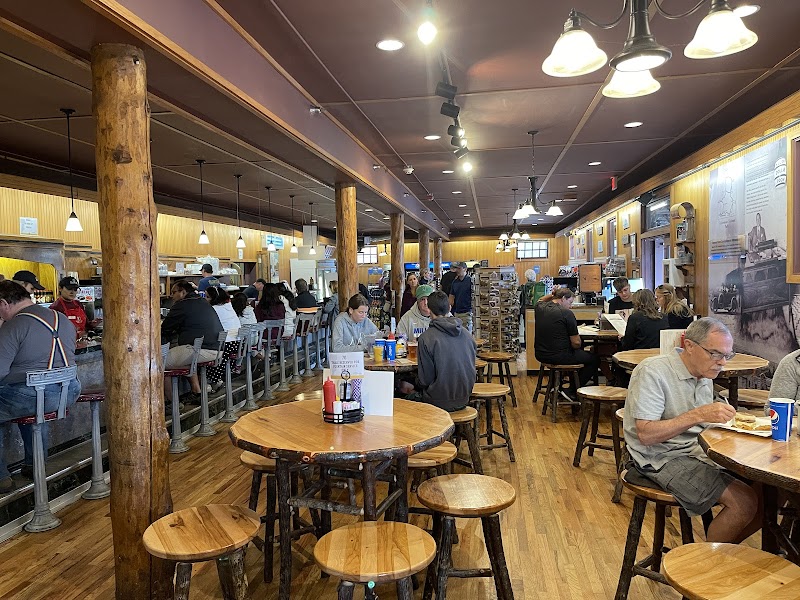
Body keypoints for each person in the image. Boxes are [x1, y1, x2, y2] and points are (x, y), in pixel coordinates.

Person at [623, 318, 760, 543]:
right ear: (689, 346)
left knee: (768, 486)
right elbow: (646, 435)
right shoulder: (653, 372)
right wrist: (699, 414)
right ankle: (709, 570)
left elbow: (703, 425)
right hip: (659, 458)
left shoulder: (703, 372)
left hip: (695, 450)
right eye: (715, 354)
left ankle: (726, 554)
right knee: (744, 501)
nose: (722, 362)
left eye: (727, 355)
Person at [0, 281, 80, 493]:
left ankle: (1, 477)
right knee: (36, 399)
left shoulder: (13, 325)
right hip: (69, 391)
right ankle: (35, 464)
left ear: (3, 303)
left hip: (36, 396)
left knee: (30, 397)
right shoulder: (60, 318)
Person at [403, 291, 476, 412]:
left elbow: (425, 380)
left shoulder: (426, 338)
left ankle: (423, 430)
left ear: (430, 310)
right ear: (449, 308)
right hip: (465, 398)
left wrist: (412, 381)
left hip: (437, 402)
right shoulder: (467, 334)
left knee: (401, 393)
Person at [161, 280, 223, 403]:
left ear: (182, 292)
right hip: (216, 349)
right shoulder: (202, 301)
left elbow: (165, 328)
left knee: (159, 363)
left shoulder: (182, 304)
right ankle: (196, 391)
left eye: (174, 293)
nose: (171, 296)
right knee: (185, 355)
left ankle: (170, 403)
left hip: (200, 350)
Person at [534, 287, 599, 392]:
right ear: (563, 298)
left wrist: (553, 294)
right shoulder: (566, 313)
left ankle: (558, 388)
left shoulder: (540, 308)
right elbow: (576, 343)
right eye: (570, 302)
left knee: (578, 354)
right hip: (559, 356)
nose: (571, 306)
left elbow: (540, 300)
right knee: (594, 359)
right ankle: (572, 391)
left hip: (541, 354)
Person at [448, 262, 473, 332]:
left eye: (459, 268)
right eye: (456, 268)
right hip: (457, 313)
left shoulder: (470, 281)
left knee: (467, 334)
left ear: (465, 269)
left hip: (467, 312)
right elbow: (451, 297)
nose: (457, 270)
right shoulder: (455, 282)